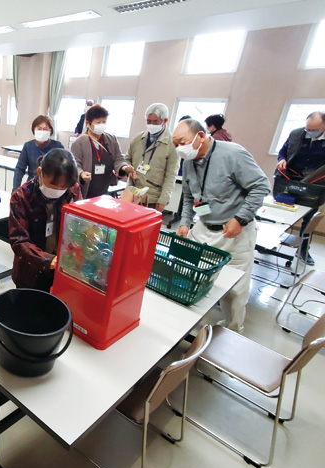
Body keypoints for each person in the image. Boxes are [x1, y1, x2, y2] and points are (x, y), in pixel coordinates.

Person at [173, 119, 270, 333]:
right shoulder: (188, 161)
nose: (180, 148)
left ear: (200, 135)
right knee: (193, 279)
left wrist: (241, 219)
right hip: (203, 228)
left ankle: (233, 331)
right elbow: (190, 197)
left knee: (234, 291)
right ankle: (189, 330)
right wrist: (185, 222)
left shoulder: (233, 154)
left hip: (234, 234)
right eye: (175, 145)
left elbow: (261, 187)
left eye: (182, 142)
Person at [9, 149, 82, 291]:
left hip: (63, 266)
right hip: (31, 269)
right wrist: (48, 260)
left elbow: (80, 221)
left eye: (64, 186)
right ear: (40, 172)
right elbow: (19, 241)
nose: (59, 190)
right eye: (54, 185)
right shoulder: (21, 197)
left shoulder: (72, 190)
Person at [277, 111, 325, 265]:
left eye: (314, 129)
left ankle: (303, 249)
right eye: (308, 129)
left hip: (315, 183)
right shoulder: (297, 134)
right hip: (292, 178)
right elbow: (283, 150)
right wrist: (282, 159)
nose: (310, 132)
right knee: (280, 211)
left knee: (309, 217)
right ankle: (271, 242)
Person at [71, 104, 135, 199]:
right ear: (88, 124)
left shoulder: (111, 139)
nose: (101, 125)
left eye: (104, 122)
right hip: (86, 189)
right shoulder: (79, 142)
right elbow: (75, 164)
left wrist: (124, 167)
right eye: (98, 123)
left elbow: (118, 158)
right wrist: (81, 174)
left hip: (105, 188)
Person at [125, 103, 180, 211]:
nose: (151, 124)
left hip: (153, 198)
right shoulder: (138, 138)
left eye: (156, 121)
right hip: (132, 193)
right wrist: (128, 169)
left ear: (165, 121)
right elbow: (127, 159)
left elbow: (171, 176)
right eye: (149, 121)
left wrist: (163, 200)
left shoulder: (172, 144)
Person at [12, 115, 64, 190]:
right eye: (39, 129)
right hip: (32, 186)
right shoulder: (28, 146)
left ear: (50, 131)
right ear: (34, 129)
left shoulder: (58, 147)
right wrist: (15, 189)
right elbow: (20, 169)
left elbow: (64, 170)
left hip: (52, 187)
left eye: (45, 129)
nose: (42, 131)